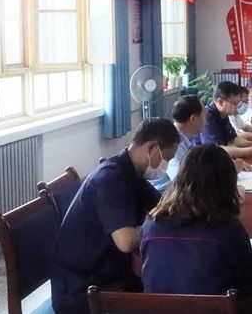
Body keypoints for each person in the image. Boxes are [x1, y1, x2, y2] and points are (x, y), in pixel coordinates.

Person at [50, 118, 181, 314]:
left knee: (169, 285)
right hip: (83, 289)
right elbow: (126, 241)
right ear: (151, 148)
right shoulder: (109, 179)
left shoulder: (130, 172)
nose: (166, 165)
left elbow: (164, 206)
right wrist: (156, 228)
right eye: (167, 158)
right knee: (169, 296)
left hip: (109, 272)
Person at [141, 144, 252, 295]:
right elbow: (247, 280)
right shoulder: (228, 228)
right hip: (214, 306)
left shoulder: (151, 224)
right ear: (226, 184)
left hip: (155, 306)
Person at [199, 81, 252, 159]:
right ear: (220, 102)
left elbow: (234, 139)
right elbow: (218, 150)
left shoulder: (224, 114)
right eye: (235, 103)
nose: (238, 107)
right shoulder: (207, 117)